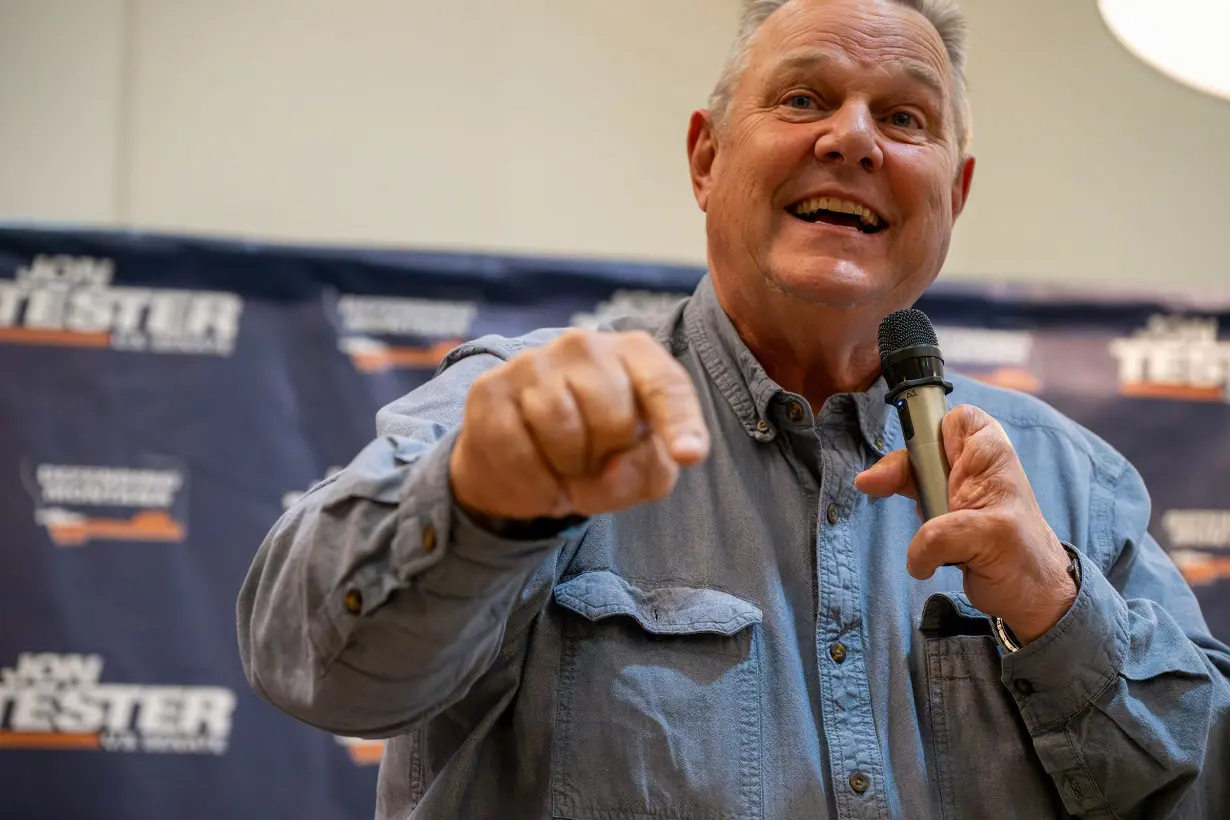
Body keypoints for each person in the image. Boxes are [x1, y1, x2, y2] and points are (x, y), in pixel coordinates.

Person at [237, 0, 1230, 817]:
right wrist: (480, 499)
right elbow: (314, 666)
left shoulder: (1073, 483)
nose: (851, 138)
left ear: (955, 195)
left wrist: (1055, 611)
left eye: (905, 118)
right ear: (706, 159)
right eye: (804, 97)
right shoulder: (537, 409)